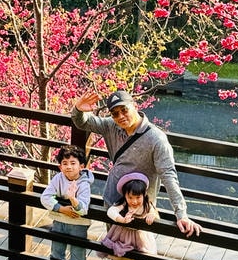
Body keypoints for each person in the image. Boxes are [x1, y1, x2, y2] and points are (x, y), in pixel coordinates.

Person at [71, 89, 202, 238]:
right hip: (112, 202)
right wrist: (78, 109)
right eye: (115, 113)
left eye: (124, 110)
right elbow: (83, 122)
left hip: (138, 208)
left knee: (139, 255)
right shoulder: (111, 126)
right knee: (114, 250)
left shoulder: (156, 139)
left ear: (134, 105)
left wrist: (181, 214)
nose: (120, 116)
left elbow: (168, 175)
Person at [39, 144, 94, 260]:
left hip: (78, 224)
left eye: (73, 163)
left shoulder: (84, 183)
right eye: (65, 163)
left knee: (77, 250)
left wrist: (72, 199)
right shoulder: (58, 179)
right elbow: (45, 197)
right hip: (59, 220)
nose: (69, 167)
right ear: (60, 166)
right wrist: (61, 208)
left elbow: (83, 209)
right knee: (57, 247)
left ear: (81, 166)